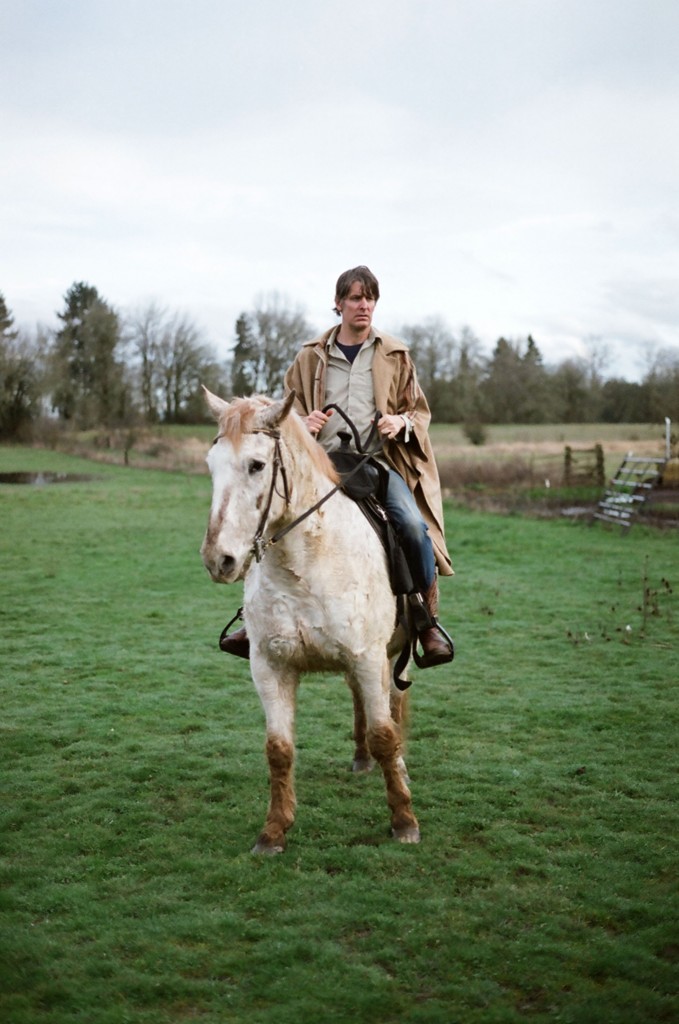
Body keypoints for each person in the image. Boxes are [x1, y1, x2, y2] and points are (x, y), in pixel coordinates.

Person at [220, 265, 454, 667]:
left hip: (375, 464)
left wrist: (400, 422)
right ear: (339, 304)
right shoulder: (309, 356)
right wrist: (302, 423)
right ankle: (252, 620)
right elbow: (281, 414)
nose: (364, 305)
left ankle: (426, 621)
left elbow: (419, 413)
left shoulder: (396, 356)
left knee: (414, 528)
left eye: (370, 298)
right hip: (318, 467)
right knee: (269, 518)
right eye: (355, 298)